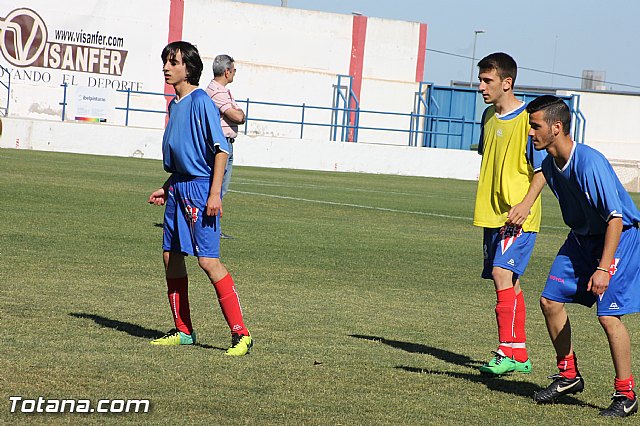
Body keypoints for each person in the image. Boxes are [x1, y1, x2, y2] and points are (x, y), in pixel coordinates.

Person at [527, 95, 639, 418]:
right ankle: (568, 375)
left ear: (556, 127)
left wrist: (603, 268)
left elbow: (615, 218)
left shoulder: (589, 163)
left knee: (608, 316)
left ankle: (626, 394)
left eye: (536, 126)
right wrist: (526, 203)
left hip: (619, 238)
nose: (531, 133)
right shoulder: (550, 160)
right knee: (549, 301)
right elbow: (544, 174)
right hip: (580, 240)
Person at [147, 41, 253, 356]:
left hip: (199, 189)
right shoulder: (174, 105)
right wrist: (168, 186)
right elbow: (183, 154)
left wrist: (214, 194)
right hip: (178, 188)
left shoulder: (202, 102)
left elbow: (221, 149)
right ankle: (183, 331)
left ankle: (241, 335)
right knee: (171, 256)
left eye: (173, 62)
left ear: (188, 68)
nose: (167, 67)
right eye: (166, 61)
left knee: (207, 260)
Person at [473, 52, 547, 376]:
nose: (481, 86)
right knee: (509, 283)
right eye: (480, 79)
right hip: (493, 215)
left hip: (518, 215)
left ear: (507, 82)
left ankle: (505, 351)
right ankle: (519, 354)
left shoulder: (529, 119)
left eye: (487, 80)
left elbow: (544, 169)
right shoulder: (488, 117)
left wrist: (526, 203)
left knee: (503, 276)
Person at [205, 54, 246, 239]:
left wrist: (239, 114)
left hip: (226, 143)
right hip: (221, 145)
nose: (234, 74)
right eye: (234, 70)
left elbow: (238, 114)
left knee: (220, 188)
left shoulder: (222, 91)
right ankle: (210, 228)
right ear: (227, 71)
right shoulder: (218, 92)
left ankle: (212, 228)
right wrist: (239, 114)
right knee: (217, 188)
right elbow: (238, 116)